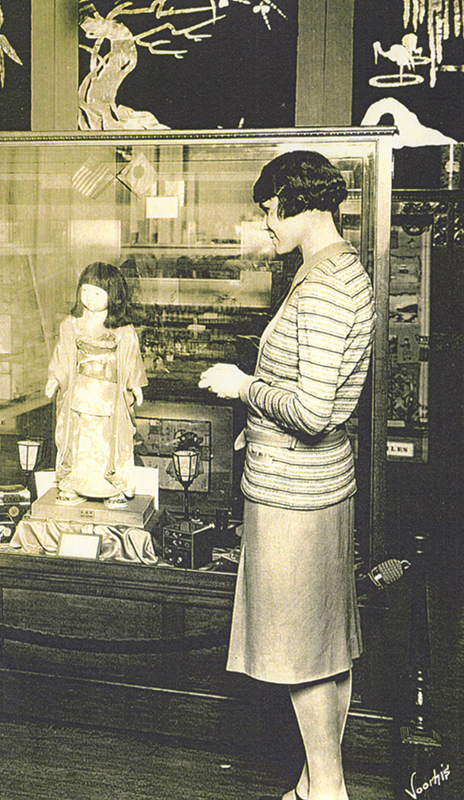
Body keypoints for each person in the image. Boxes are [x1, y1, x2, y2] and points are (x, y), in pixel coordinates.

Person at [199, 151, 375, 800]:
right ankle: (312, 783)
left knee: (302, 650)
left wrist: (244, 388)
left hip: (294, 496)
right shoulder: (337, 268)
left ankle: (326, 788)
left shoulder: (323, 287)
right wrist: (261, 418)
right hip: (320, 484)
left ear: (305, 206)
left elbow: (313, 411)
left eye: (272, 211)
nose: (266, 224)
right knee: (327, 644)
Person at [45, 261, 147, 508]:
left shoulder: (123, 329)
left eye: (97, 293)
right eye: (85, 291)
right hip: (79, 393)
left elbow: (131, 359)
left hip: (109, 397)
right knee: (77, 441)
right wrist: (55, 378)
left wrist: (135, 385)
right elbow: (63, 354)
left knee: (107, 444)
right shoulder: (71, 324)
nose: (89, 298)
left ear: (113, 296)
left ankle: (112, 488)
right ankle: (72, 486)